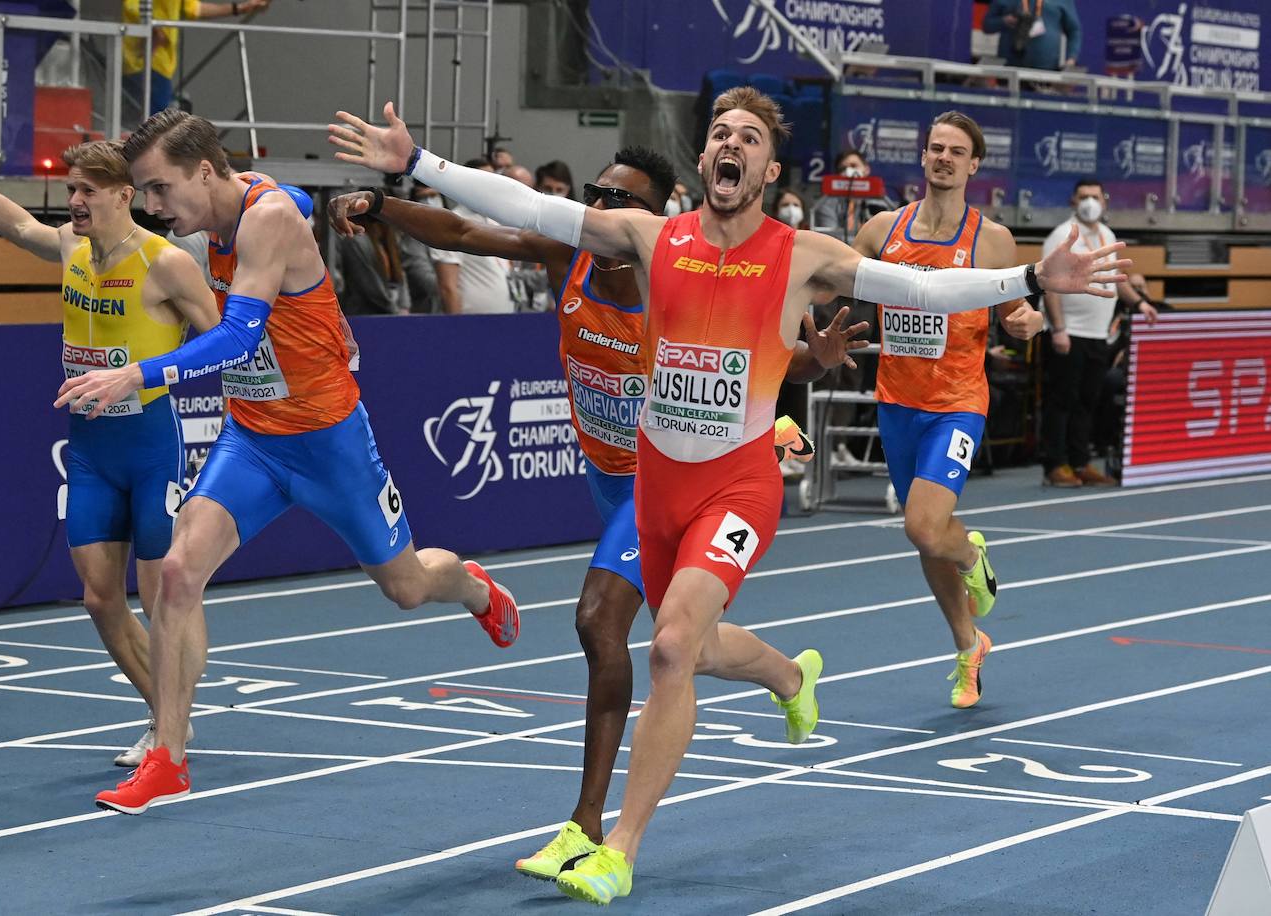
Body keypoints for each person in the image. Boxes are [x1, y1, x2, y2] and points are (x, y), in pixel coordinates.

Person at [328, 87, 1127, 904]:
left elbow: (916, 290)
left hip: (738, 488)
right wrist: (416, 165)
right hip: (658, 488)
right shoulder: (650, 235)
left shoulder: (802, 251)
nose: (729, 145)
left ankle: (619, 847)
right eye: (718, 134)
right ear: (705, 160)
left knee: (670, 645)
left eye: (747, 136)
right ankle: (790, 677)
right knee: (698, 648)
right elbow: (528, 206)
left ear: (767, 168)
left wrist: (1028, 275)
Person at [327, 147, 851, 882]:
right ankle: (790, 677)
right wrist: (381, 207)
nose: (602, 207)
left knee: (600, 622)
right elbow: (471, 236)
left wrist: (811, 362)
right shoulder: (571, 253)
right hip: (607, 479)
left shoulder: (670, 274)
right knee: (688, 643)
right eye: (595, 191)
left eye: (620, 198)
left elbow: (756, 350)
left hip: (661, 479)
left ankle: (587, 828)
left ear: (660, 211)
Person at [57, 109, 521, 815]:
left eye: (158, 190)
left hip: (328, 442)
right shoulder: (226, 215)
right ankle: (168, 757)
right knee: (179, 571)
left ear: (204, 172)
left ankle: (477, 588)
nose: (152, 208)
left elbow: (241, 337)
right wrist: (317, 204)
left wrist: (139, 376)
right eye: (144, 194)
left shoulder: (264, 218)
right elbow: (295, 202)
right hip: (253, 439)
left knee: (405, 585)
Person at [0, 126, 219, 766]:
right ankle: (167, 720)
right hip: (89, 448)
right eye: (71, 188)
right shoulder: (72, 247)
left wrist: (142, 374)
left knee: (165, 594)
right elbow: (14, 223)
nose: (74, 200)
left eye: (87, 190)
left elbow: (218, 342)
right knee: (99, 599)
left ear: (124, 194)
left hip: (150, 444)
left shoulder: (165, 262)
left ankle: (171, 728)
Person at [851, 110, 1046, 711]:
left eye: (955, 152)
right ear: (923, 157)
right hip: (897, 402)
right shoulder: (881, 230)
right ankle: (969, 647)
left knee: (926, 527)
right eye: (935, 148)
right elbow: (827, 278)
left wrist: (1028, 322)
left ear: (973, 164)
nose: (943, 158)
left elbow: (1022, 317)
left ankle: (974, 555)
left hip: (958, 402)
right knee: (924, 538)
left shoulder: (991, 240)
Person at [1040, 179, 1159, 488]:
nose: (1089, 202)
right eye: (1083, 197)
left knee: (1086, 402)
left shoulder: (1107, 235)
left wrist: (1141, 302)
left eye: (1094, 197)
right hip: (1068, 334)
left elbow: (1118, 280)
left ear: (1104, 202)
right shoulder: (1062, 236)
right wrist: (1059, 329)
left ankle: (1080, 463)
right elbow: (1049, 284)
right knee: (1061, 401)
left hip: (1097, 335)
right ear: (1072, 201)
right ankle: (1055, 464)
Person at [122, 0, 271, 118]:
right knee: (152, 130)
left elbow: (194, 8)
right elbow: (132, 5)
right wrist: (155, 30)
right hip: (143, 60)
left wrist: (240, 8)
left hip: (158, 62)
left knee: (148, 125)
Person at [426, 158, 514, 314]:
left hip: (505, 319)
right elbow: (448, 287)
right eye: (486, 180)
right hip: (471, 323)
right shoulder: (452, 223)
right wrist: (458, 330)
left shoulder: (496, 221)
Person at [812, 149, 894, 242]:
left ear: (866, 169)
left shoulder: (880, 203)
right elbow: (830, 240)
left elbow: (884, 238)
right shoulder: (826, 204)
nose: (848, 171)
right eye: (842, 169)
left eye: (853, 166)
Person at [982, 0, 1082, 72]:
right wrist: (1003, 21)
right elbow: (987, 25)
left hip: (1045, 72)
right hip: (1009, 70)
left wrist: (1071, 59)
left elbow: (1074, 30)